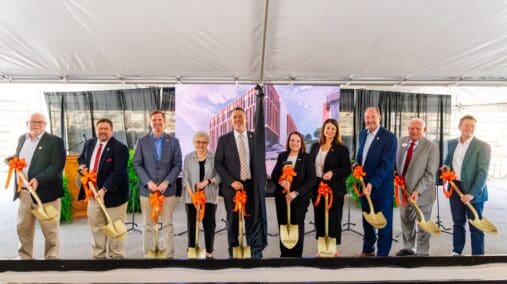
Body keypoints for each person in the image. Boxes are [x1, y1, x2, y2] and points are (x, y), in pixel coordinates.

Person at [9, 112, 66, 259]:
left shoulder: (55, 141)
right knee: (23, 228)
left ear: (45, 125)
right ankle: (24, 258)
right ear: (27, 123)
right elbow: (20, 160)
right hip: (24, 193)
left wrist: (39, 179)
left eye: (40, 123)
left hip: (47, 193)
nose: (36, 125)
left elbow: (57, 165)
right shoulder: (22, 139)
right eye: (33, 122)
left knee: (50, 229)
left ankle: (51, 258)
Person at [215, 107, 265, 258]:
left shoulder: (254, 137)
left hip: (250, 187)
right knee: (233, 221)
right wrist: (231, 182)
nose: (238, 119)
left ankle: (254, 252)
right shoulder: (224, 139)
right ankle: (233, 252)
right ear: (231, 121)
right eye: (235, 117)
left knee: (252, 220)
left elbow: (260, 162)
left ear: (246, 118)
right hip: (232, 188)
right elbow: (219, 163)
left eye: (240, 117)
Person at [78, 118, 129, 259]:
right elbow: (81, 158)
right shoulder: (89, 143)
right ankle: (99, 256)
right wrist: (82, 166)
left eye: (106, 129)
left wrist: (104, 189)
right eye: (100, 128)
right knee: (96, 226)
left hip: (114, 196)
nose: (103, 131)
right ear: (96, 129)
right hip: (93, 195)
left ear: (111, 130)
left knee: (115, 228)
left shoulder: (120, 148)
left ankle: (116, 257)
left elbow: (118, 172)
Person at [134, 110, 182, 258]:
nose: (157, 122)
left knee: (168, 224)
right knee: (147, 225)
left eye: (160, 120)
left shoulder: (174, 141)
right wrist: (148, 182)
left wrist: (167, 182)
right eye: (154, 120)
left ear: (165, 122)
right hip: (147, 192)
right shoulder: (142, 142)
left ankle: (169, 255)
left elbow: (177, 164)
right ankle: (148, 255)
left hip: (167, 192)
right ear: (150, 122)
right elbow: (137, 164)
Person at [442, 115, 491, 256]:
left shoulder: (483, 146)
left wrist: (472, 193)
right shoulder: (451, 143)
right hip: (455, 187)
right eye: (466, 125)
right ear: (460, 126)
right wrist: (445, 167)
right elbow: (448, 160)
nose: (469, 128)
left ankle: (478, 255)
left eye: (472, 126)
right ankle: (457, 251)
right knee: (458, 222)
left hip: (474, 188)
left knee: (475, 224)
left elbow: (483, 172)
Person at [355, 107, 397, 257]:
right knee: (367, 219)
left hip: (380, 187)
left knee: (383, 222)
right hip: (364, 186)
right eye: (367, 117)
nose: (370, 120)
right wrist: (356, 165)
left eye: (373, 116)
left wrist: (373, 183)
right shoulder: (362, 134)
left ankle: (383, 254)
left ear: (380, 117)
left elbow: (387, 164)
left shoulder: (389, 137)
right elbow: (360, 156)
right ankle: (368, 249)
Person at [395, 118, 439, 256]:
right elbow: (395, 163)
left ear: (424, 130)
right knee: (406, 220)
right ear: (407, 128)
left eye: (418, 129)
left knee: (423, 224)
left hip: (423, 193)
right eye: (411, 128)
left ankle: (422, 252)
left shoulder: (431, 147)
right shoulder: (401, 141)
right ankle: (408, 247)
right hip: (403, 191)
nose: (414, 131)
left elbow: (430, 174)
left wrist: (417, 191)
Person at [309, 118, 351, 256]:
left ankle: (333, 249)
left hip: (334, 189)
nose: (330, 131)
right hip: (317, 188)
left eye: (333, 128)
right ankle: (322, 248)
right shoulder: (315, 147)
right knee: (319, 218)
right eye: (328, 128)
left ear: (336, 131)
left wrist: (333, 172)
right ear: (323, 130)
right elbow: (310, 166)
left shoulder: (341, 149)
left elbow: (346, 169)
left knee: (333, 218)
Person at [271, 131, 316, 257]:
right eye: (292, 140)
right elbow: (275, 175)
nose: (295, 143)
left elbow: (312, 179)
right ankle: (284, 255)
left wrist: (296, 193)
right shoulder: (282, 156)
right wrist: (281, 182)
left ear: (301, 143)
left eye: (297, 141)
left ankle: (296, 256)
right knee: (283, 224)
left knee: (297, 224)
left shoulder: (307, 157)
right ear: (288, 142)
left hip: (299, 198)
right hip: (282, 198)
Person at [182, 131, 221, 258]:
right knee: (192, 224)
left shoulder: (214, 157)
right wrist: (192, 195)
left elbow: (219, 176)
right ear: (194, 143)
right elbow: (185, 178)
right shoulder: (188, 157)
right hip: (191, 197)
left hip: (209, 197)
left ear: (208, 143)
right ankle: (192, 251)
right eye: (198, 142)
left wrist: (208, 181)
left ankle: (209, 252)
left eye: (204, 142)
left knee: (209, 225)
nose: (201, 144)